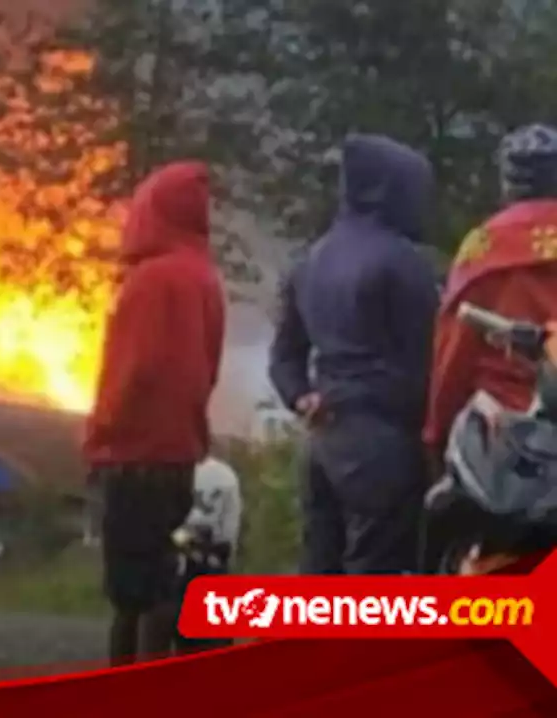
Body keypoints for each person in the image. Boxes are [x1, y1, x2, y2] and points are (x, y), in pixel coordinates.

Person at [269, 134, 441, 576]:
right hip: (383, 446)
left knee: (319, 579)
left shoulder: (309, 261)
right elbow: (432, 362)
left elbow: (284, 357)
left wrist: (300, 396)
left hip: (321, 441)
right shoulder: (405, 263)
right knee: (372, 586)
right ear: (392, 189)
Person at [83, 162, 225, 666]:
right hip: (178, 454)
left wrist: (99, 438)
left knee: (130, 593)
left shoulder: (150, 280)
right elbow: (206, 368)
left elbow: (130, 372)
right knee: (159, 577)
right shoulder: (205, 278)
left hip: (132, 455)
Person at [424, 124, 557, 472]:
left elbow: (454, 354)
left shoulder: (482, 248)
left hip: (503, 438)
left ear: (507, 183)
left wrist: (436, 434)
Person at [171, 455, 241, 655]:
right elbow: (230, 527)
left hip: (181, 564)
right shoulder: (226, 475)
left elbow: (167, 527)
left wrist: (183, 540)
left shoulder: (171, 469)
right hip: (215, 561)